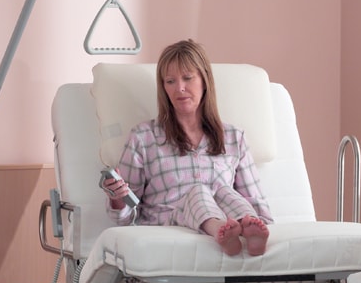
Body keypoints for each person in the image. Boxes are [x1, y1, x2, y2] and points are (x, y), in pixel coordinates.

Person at [100, 39, 272, 256]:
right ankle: (219, 229)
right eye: (170, 81)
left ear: (204, 80)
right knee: (198, 191)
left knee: (224, 192)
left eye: (188, 78)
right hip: (168, 227)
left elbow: (256, 201)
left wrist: (258, 221)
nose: (179, 88)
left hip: (229, 222)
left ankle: (249, 231)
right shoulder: (143, 137)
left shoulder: (233, 137)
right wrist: (116, 198)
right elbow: (125, 217)